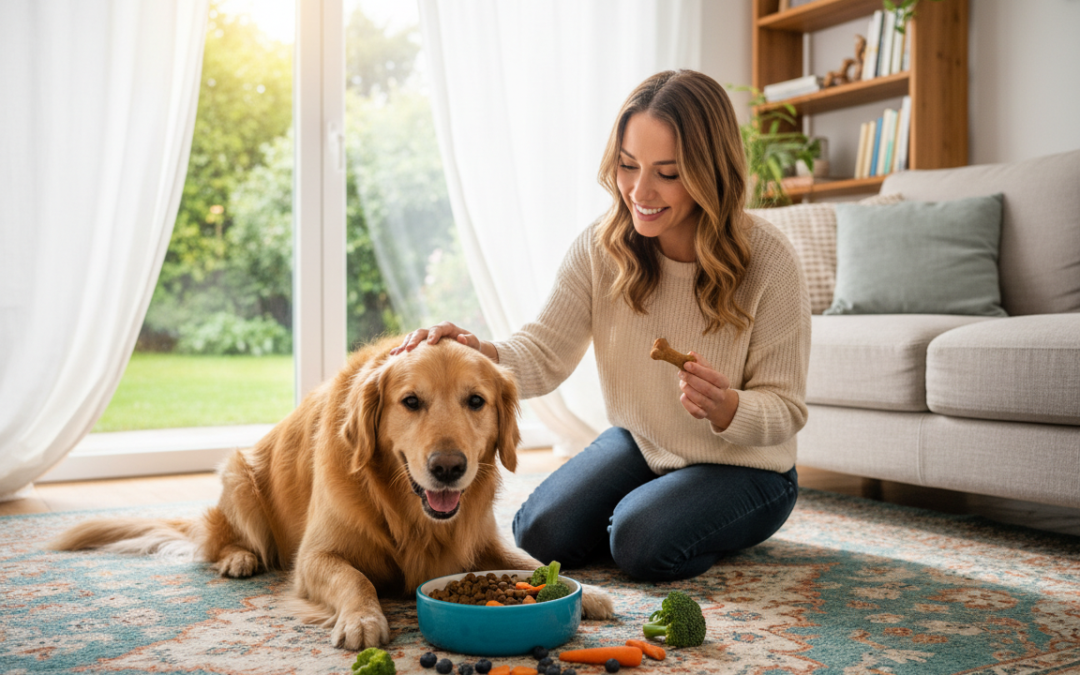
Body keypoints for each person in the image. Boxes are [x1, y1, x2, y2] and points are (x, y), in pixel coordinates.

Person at [391, 69, 810, 582]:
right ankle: (654, 508)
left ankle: (664, 518)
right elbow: (543, 351)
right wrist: (481, 354)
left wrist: (729, 408)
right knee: (540, 533)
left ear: (711, 172)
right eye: (628, 165)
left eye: (669, 173)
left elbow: (787, 409)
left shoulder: (770, 261)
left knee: (639, 542)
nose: (640, 190)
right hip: (644, 442)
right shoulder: (601, 247)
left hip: (749, 468)